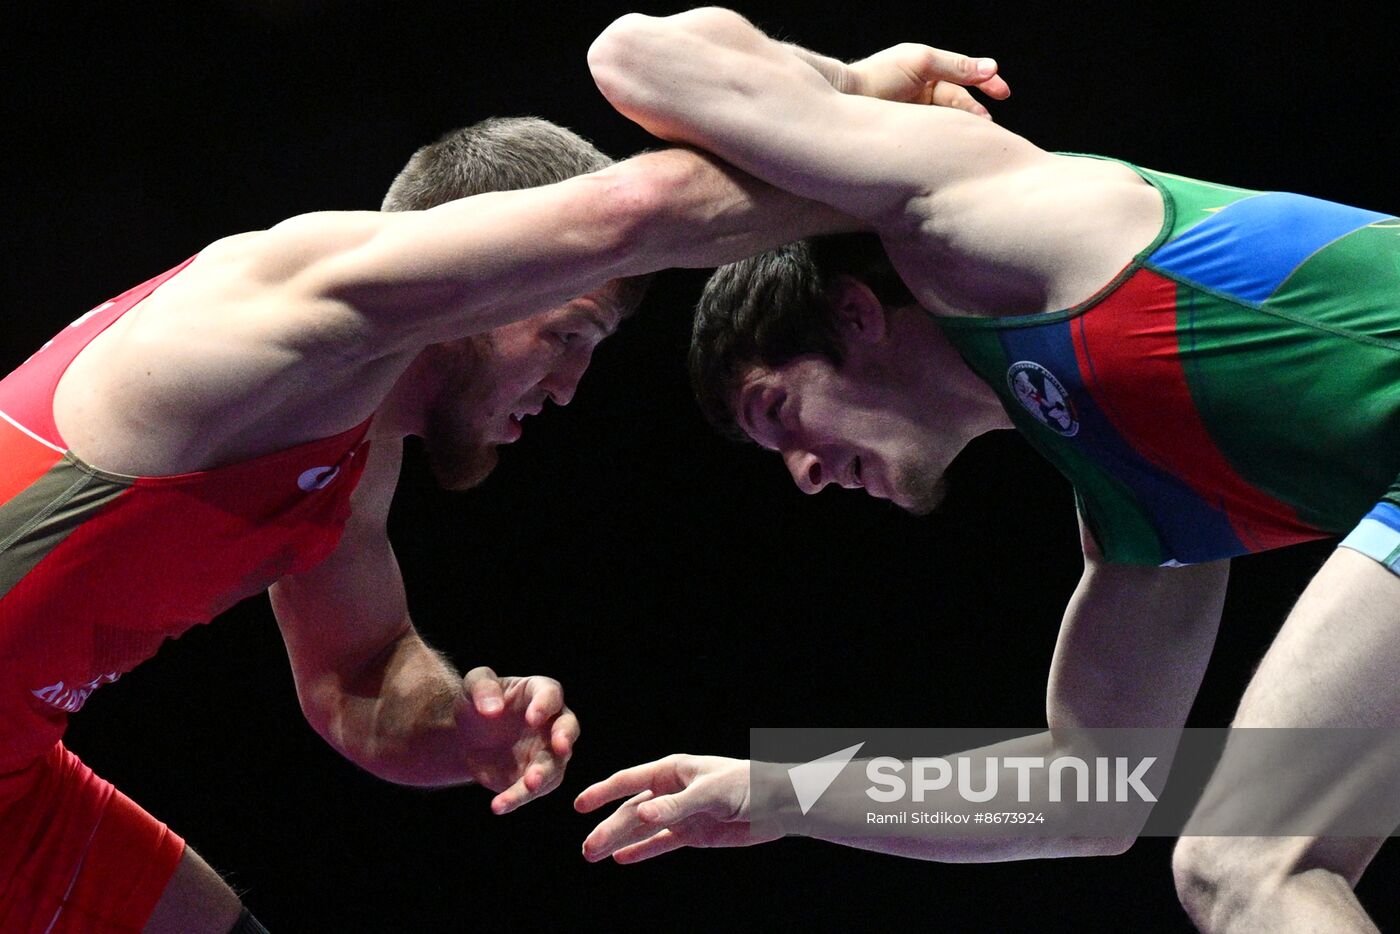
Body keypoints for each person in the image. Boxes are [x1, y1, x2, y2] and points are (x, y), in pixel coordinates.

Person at [0, 107, 946, 932]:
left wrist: (459, 730)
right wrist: (890, 141)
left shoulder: (353, 442)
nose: (570, 386)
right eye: (568, 333)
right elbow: (635, 211)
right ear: (486, 274)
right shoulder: (279, 300)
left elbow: (356, 672)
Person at [576, 8, 1400, 932]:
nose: (803, 474)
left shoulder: (978, 218)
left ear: (854, 313)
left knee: (1247, 864)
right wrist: (782, 793)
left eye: (778, 411)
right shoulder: (1133, 486)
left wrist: (855, 85)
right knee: (1242, 869)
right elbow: (1089, 793)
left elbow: (633, 52)